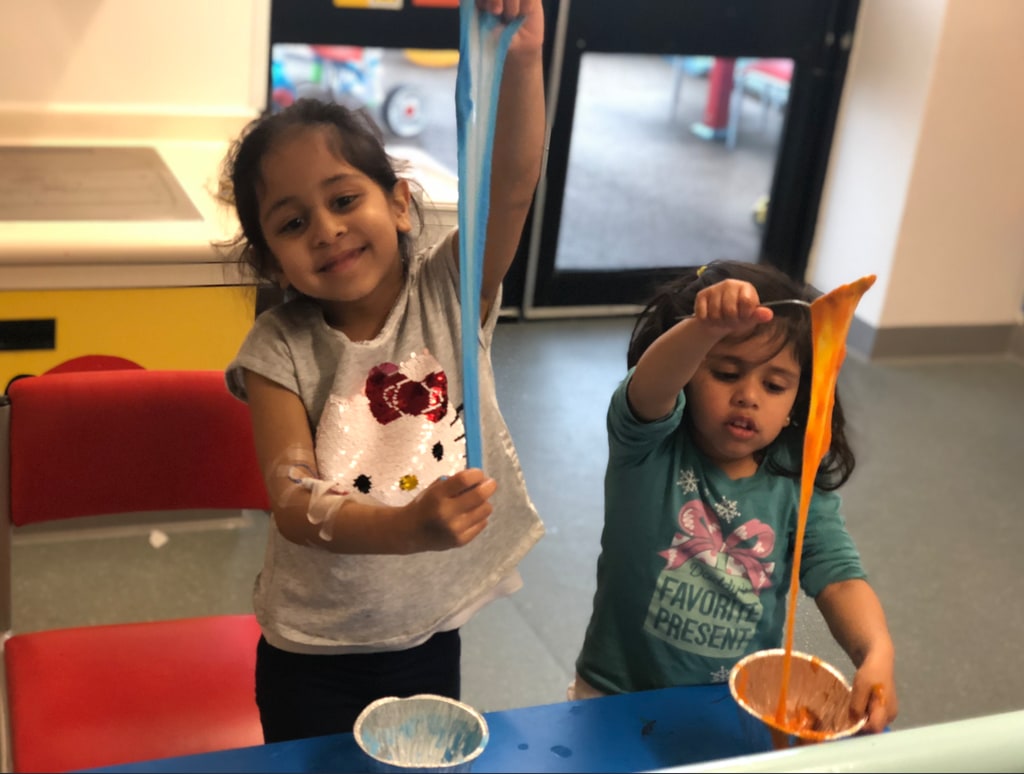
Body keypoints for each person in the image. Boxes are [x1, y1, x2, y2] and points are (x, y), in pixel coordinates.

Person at [218, 0, 546, 743]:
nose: (327, 231)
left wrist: (521, 63)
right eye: (294, 223)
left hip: (429, 630)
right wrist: (405, 528)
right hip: (312, 651)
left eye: (344, 200)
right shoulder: (278, 349)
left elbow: (512, 186)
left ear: (398, 203)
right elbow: (295, 500)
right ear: (273, 260)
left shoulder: (451, 294)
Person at [571, 260, 898, 734]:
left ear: (797, 399)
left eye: (774, 385)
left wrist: (876, 650)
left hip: (733, 705)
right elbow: (650, 384)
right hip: (615, 696)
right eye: (726, 373)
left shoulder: (796, 477)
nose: (749, 397)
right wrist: (704, 329)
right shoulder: (647, 446)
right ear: (689, 374)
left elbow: (839, 577)